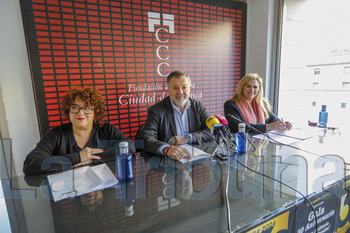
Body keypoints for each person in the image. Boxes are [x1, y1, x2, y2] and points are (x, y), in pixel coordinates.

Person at [23, 87, 135, 175]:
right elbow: (31, 164)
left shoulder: (106, 129)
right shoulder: (56, 134)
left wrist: (94, 158)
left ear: (95, 112)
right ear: (69, 111)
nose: (80, 113)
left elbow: (130, 147)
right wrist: (78, 157)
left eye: (86, 108)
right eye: (75, 108)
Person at [140, 70, 213, 161]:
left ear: (190, 88)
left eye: (184, 87)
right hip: (168, 164)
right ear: (168, 89)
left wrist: (188, 138)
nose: (180, 92)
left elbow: (211, 131)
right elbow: (146, 138)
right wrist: (166, 149)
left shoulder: (198, 106)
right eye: (175, 88)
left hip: (195, 160)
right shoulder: (156, 110)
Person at [224, 73, 292, 133]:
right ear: (242, 88)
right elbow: (239, 126)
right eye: (248, 86)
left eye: (255, 87)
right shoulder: (231, 104)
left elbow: (273, 118)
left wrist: (282, 124)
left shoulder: (263, 103)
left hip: (260, 143)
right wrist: (267, 127)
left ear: (259, 89)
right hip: (241, 143)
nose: (252, 90)